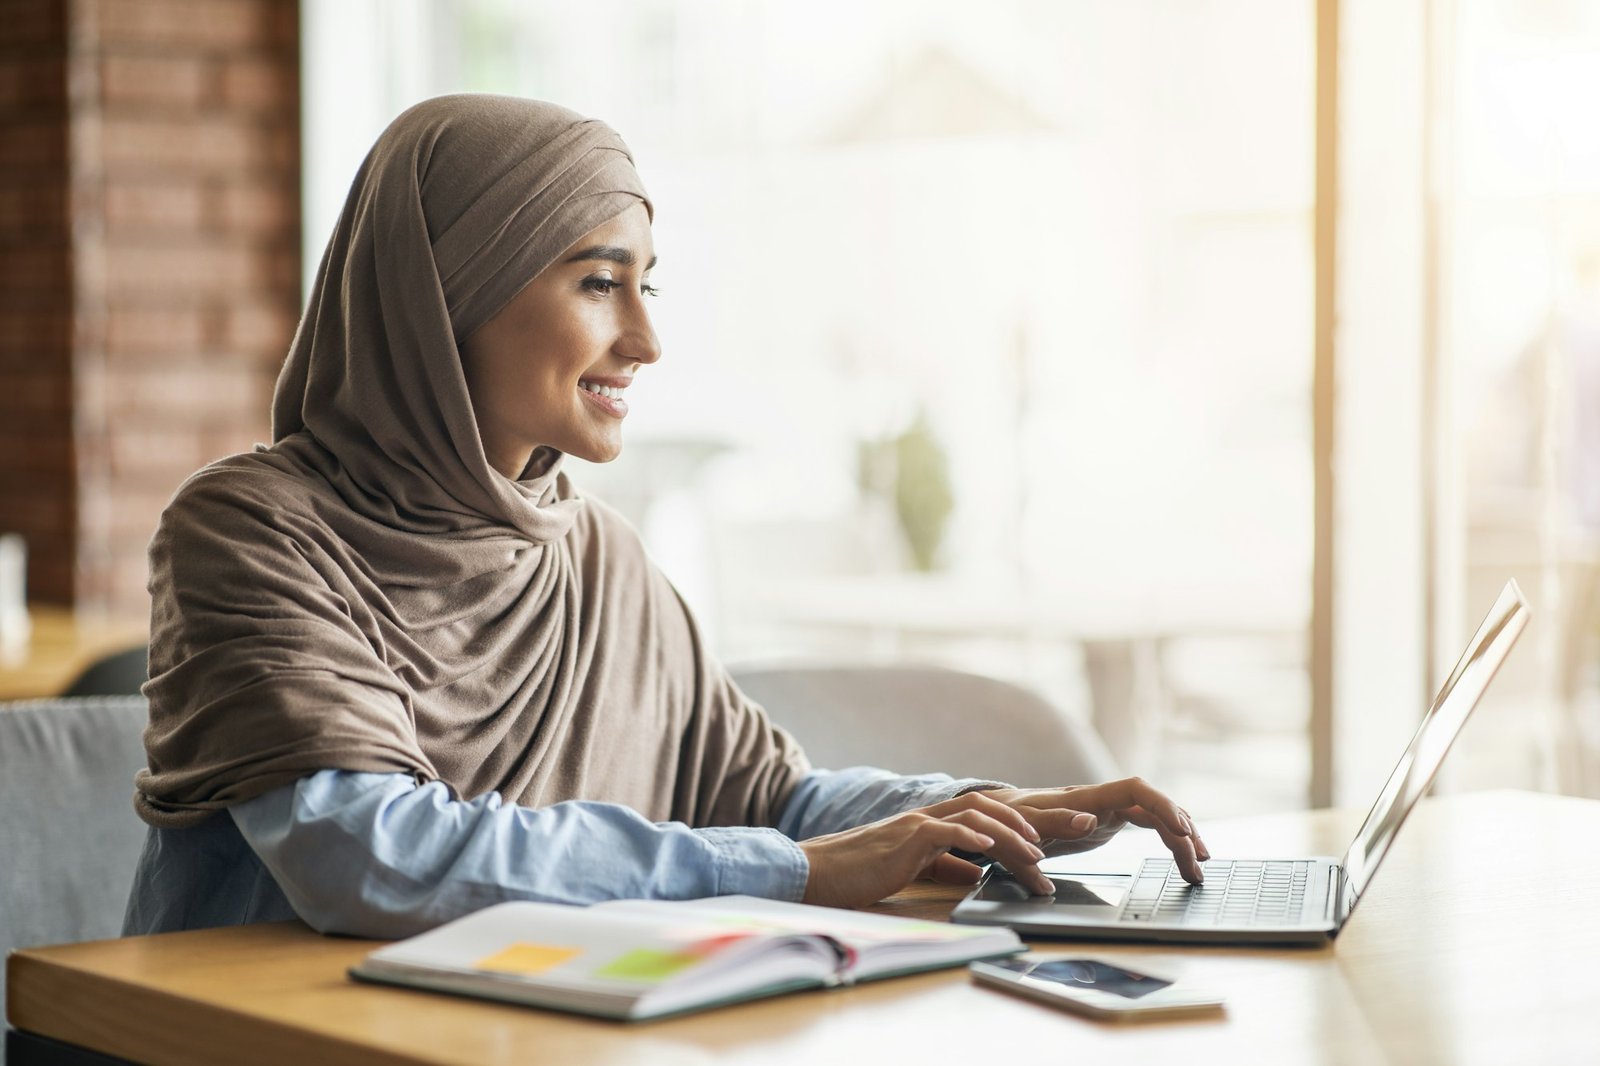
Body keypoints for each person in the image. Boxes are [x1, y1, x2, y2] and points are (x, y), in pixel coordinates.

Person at [122, 95, 1207, 940]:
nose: (645, 340)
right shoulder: (250, 530)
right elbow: (368, 853)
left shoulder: (592, 553)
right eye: (600, 283)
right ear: (443, 294)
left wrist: (987, 811)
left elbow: (768, 796)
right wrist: (795, 871)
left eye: (650, 286)